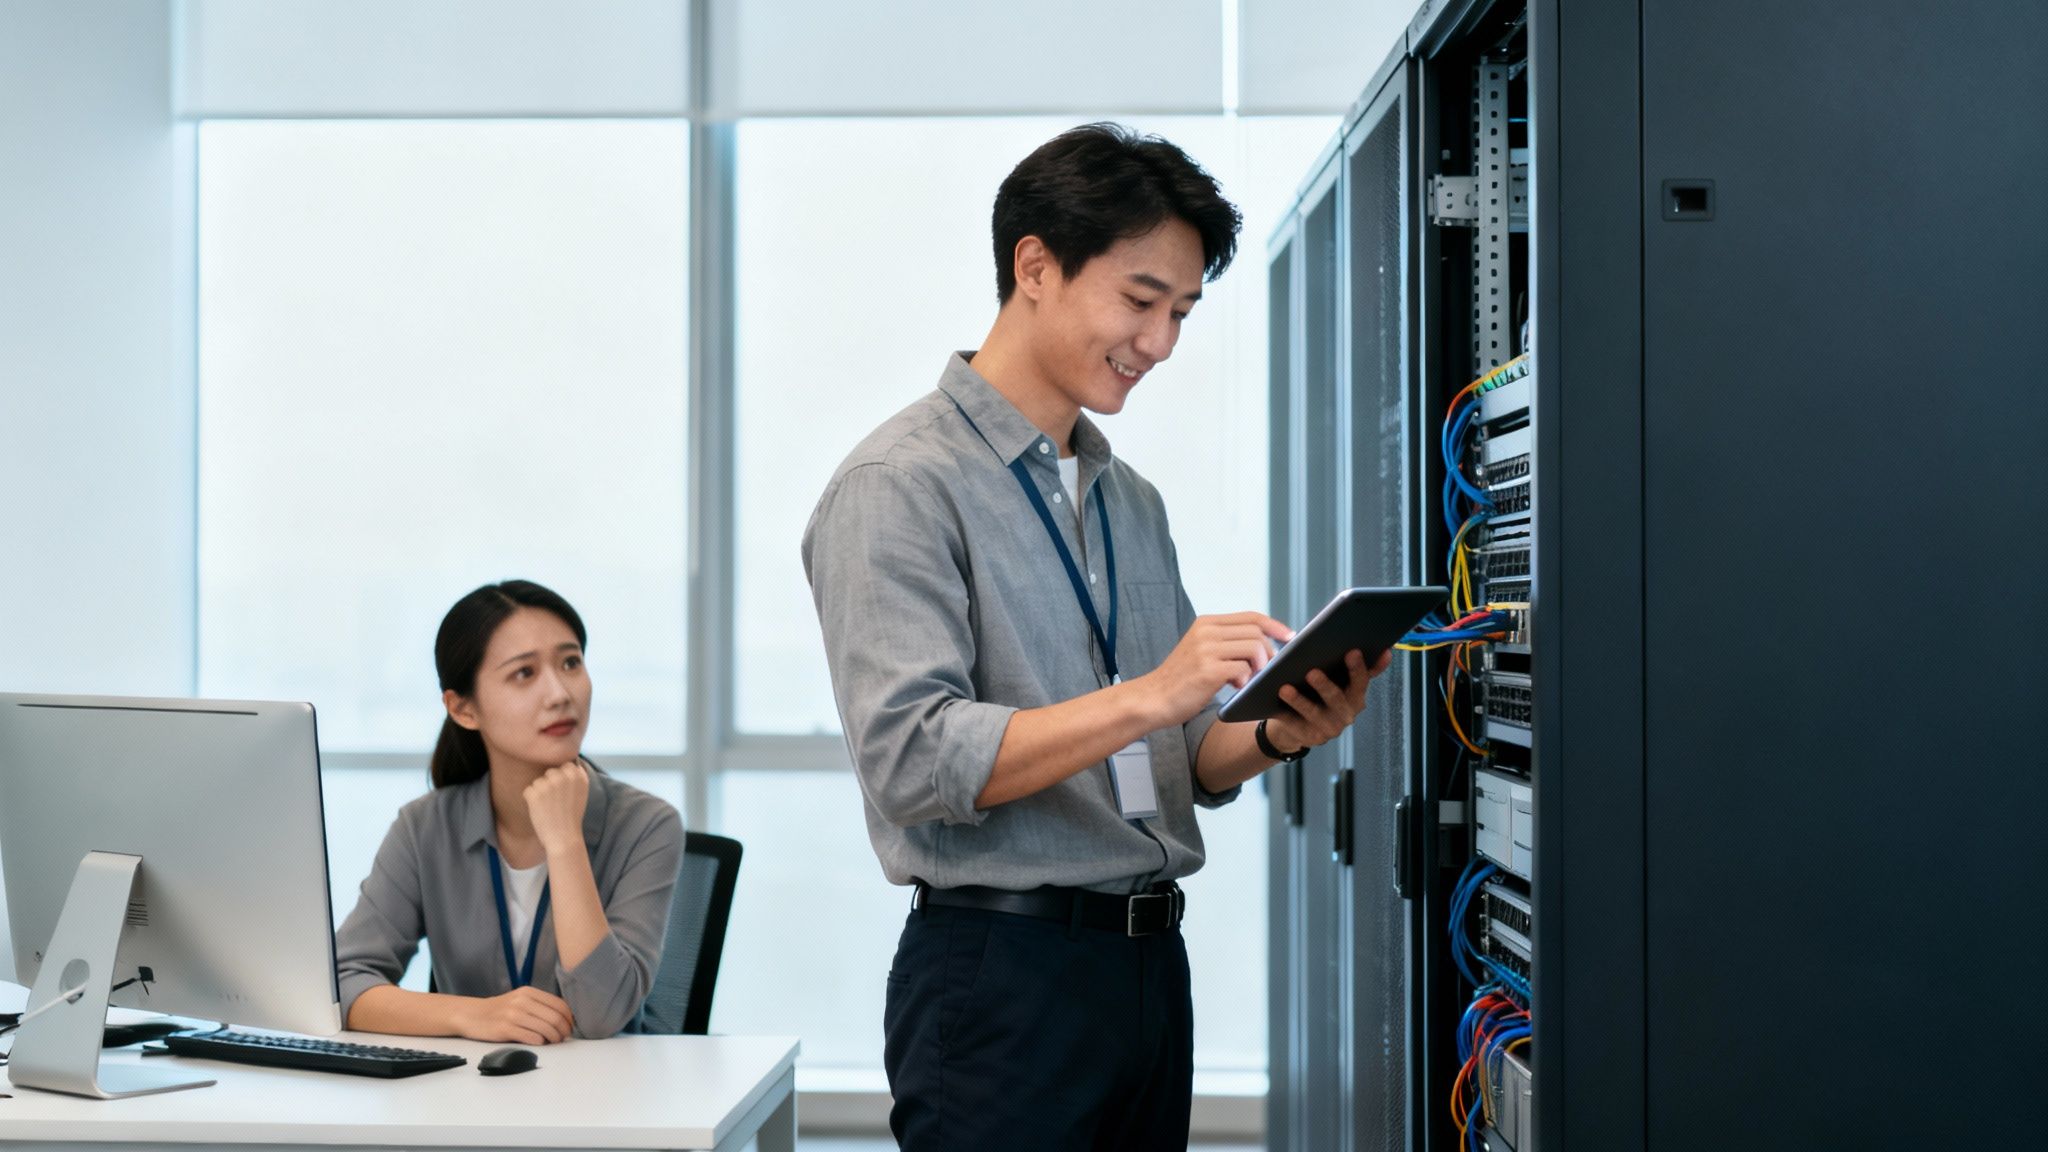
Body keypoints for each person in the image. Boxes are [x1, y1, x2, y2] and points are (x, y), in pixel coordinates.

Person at [802, 123, 1394, 1150]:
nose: (1159, 342)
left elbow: (1182, 754)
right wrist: (1151, 695)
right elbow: (911, 761)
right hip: (1001, 979)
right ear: (1034, 265)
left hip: (1145, 972)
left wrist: (1278, 730)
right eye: (1138, 300)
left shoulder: (1129, 500)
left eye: (1181, 312)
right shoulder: (897, 486)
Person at [335, 580, 684, 1043]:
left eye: (571, 662)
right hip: (464, 1100)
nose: (560, 692)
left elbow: (602, 1015)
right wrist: (471, 1016)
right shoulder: (424, 828)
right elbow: (343, 982)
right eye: (524, 673)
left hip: (603, 1100)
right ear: (463, 708)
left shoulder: (646, 825)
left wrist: (564, 841)